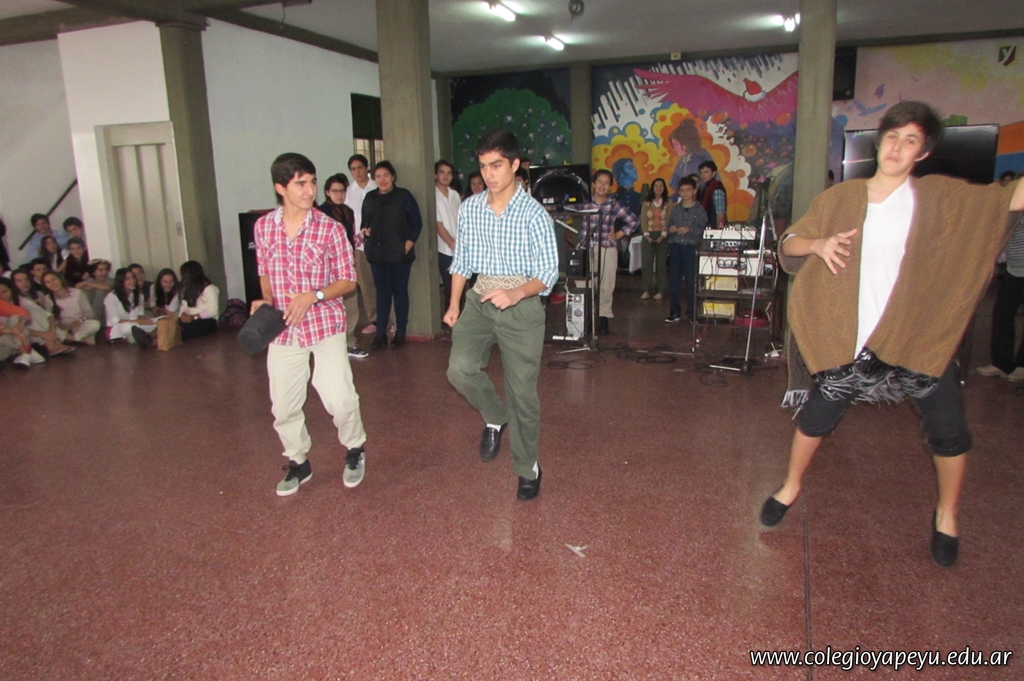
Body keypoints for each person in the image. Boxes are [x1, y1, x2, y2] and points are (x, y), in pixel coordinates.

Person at [759, 101, 1024, 569]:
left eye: (911, 140)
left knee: (949, 430)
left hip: (916, 335)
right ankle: (790, 486)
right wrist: (818, 244)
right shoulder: (842, 197)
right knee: (816, 417)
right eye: (892, 136)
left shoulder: (938, 197)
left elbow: (1006, 200)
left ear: (923, 152)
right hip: (850, 338)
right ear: (880, 141)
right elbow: (790, 243)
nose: (897, 147)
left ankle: (947, 516)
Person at [445, 129, 558, 501]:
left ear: (515, 165)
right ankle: (496, 414)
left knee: (522, 393)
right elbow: (462, 261)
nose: (489, 174)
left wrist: (515, 293)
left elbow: (548, 274)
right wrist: (454, 304)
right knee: (459, 369)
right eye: (483, 166)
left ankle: (528, 467)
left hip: (521, 305)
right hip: (480, 298)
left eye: (496, 165)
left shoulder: (534, 214)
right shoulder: (470, 208)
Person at [252, 152, 368, 496]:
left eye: (312, 182)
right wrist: (266, 301)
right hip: (284, 328)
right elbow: (264, 271)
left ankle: (355, 448)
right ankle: (298, 461)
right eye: (300, 183)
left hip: (324, 323)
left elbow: (348, 281)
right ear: (280, 188)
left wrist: (314, 295)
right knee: (283, 406)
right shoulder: (263, 227)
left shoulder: (330, 228)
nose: (309, 190)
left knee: (340, 399)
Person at [361, 160, 422, 350]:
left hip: (399, 255)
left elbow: (417, 223)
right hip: (377, 255)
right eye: (378, 176)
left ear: (393, 176)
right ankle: (380, 334)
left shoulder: (404, 196)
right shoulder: (370, 197)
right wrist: (365, 231)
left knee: (400, 293)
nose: (382, 179)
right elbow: (365, 221)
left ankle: (400, 332)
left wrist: (407, 245)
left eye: (386, 175)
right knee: (382, 294)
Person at [577, 168, 639, 334]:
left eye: (606, 183)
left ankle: (603, 318)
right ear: (593, 184)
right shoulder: (584, 202)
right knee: (586, 285)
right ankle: (586, 318)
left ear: (610, 187)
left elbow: (633, 221)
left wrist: (619, 234)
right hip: (586, 248)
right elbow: (562, 212)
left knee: (606, 285)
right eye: (599, 182)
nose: (602, 186)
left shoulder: (613, 204)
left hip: (607, 249)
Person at [319, 173, 368, 359]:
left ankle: (349, 342)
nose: (339, 195)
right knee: (330, 307)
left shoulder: (348, 212)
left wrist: (360, 237)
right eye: (335, 191)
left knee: (351, 306)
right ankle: (331, 343)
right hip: (328, 269)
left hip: (346, 266)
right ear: (327, 192)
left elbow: (349, 240)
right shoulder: (320, 213)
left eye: (342, 191)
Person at [976, 216, 1024, 381]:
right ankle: (1002, 363)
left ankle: (1022, 365)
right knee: (1002, 312)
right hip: (1015, 267)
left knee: (1004, 312)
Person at [344, 154, 379, 335]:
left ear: (367, 168)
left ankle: (391, 320)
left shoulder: (377, 186)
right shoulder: (348, 193)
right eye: (353, 169)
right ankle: (375, 319)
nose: (357, 172)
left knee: (384, 283)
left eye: (360, 167)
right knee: (366, 285)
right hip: (360, 246)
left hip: (381, 244)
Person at [665, 177, 708, 323]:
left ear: (694, 191)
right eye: (682, 190)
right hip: (676, 247)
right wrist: (672, 228)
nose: (685, 193)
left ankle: (692, 313)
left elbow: (703, 228)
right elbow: (669, 225)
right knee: (674, 281)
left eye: (688, 190)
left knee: (691, 282)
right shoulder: (675, 208)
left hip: (691, 247)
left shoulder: (699, 209)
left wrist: (689, 229)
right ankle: (674, 312)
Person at [11, 269, 76, 356]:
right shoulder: (16, 300)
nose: (24, 283)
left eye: (26, 279)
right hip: (30, 332)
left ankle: (54, 343)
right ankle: (52, 344)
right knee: (32, 313)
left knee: (38, 313)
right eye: (19, 281)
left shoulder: (38, 294)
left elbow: (48, 315)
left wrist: (52, 330)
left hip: (46, 327)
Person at [42, 271, 100, 345]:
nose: (52, 283)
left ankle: (71, 338)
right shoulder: (48, 299)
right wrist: (59, 324)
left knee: (95, 324)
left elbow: (90, 312)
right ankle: (80, 339)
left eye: (54, 279)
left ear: (60, 279)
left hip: (79, 324)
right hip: (63, 327)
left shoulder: (77, 293)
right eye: (48, 282)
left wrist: (79, 321)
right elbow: (50, 317)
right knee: (51, 329)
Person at [435, 159, 461, 318]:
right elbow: (438, 224)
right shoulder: (433, 195)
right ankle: (449, 320)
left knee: (460, 286)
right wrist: (451, 243)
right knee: (450, 286)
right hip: (444, 249)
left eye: (449, 173)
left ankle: (459, 319)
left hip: (460, 247)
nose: (445, 176)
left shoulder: (455, 195)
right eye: (442, 172)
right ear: (435, 175)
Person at [104, 268, 157, 346]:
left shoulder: (139, 295)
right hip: (118, 328)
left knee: (158, 321)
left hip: (137, 324)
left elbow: (140, 314)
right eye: (127, 279)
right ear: (120, 281)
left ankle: (140, 339)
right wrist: (139, 322)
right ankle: (147, 340)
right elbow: (116, 321)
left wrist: (145, 320)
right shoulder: (112, 297)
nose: (132, 281)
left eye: (133, 277)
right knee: (129, 327)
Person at [0, 277, 45, 367]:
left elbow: (23, 312)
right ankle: (29, 351)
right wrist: (9, 330)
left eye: (4, 292)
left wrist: (20, 326)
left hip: (7, 342)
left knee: (15, 318)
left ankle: (24, 353)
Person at [639, 178, 671, 300]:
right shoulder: (646, 203)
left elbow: (669, 219)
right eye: (656, 186)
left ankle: (661, 290)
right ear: (652, 188)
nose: (658, 188)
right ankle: (645, 290)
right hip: (648, 235)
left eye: (661, 186)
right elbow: (643, 219)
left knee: (661, 265)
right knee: (646, 264)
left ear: (664, 188)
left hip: (663, 236)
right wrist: (646, 234)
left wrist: (664, 234)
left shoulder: (668, 202)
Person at [177, 260, 220, 341]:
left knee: (186, 330)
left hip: (206, 320)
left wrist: (195, 316)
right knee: (173, 325)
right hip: (189, 318)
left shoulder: (210, 289)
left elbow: (213, 311)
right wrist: (183, 314)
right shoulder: (187, 289)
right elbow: (183, 307)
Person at [667, 119, 712, 195]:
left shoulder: (701, 158)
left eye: (676, 144)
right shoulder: (682, 161)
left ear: (686, 143)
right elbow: (679, 191)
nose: (674, 149)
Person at [77, 259, 113, 325]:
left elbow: (109, 287)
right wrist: (91, 285)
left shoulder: (110, 280)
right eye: (100, 270)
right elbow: (78, 287)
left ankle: (95, 321)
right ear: (93, 272)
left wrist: (87, 284)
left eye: (106, 269)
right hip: (91, 309)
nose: (104, 272)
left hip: (106, 313)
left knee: (101, 291)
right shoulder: (91, 280)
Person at [698, 160, 728, 228]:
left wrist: (719, 231)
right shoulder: (706, 188)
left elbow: (720, 215)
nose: (703, 175)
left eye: (706, 172)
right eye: (701, 173)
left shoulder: (717, 189)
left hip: (714, 228)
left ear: (714, 173)